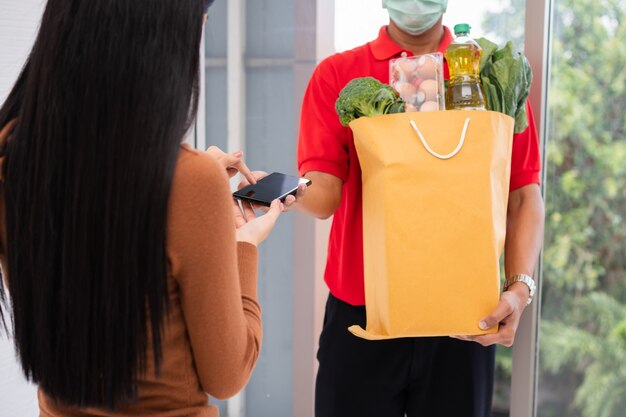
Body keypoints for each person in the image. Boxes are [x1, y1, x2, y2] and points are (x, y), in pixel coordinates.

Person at [0, 0, 283, 415]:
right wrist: (243, 243)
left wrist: (181, 173)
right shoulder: (192, 183)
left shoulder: (13, 157)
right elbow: (227, 374)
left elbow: (91, 204)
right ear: (152, 46)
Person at [295, 1, 545, 416]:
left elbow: (522, 194)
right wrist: (289, 193)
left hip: (464, 318)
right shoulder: (337, 74)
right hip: (363, 316)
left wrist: (519, 289)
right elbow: (325, 194)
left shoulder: (489, 76)